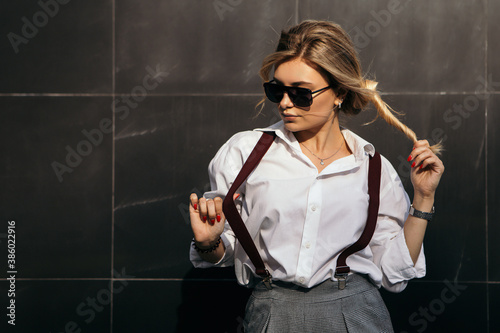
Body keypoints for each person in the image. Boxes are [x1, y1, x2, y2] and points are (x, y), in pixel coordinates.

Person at [188, 20, 444, 332]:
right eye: (277, 90)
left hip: (355, 314)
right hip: (273, 313)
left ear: (338, 93)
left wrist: (423, 198)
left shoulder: (373, 168)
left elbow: (393, 271)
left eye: (300, 93)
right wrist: (208, 243)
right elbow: (224, 249)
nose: (285, 103)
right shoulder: (244, 154)